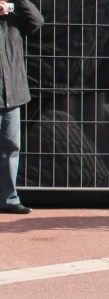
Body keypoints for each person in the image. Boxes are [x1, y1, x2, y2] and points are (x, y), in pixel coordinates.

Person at [0, 0, 43, 215]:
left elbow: (36, 20)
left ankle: (8, 199)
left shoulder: (14, 18)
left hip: (12, 95)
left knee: (11, 148)